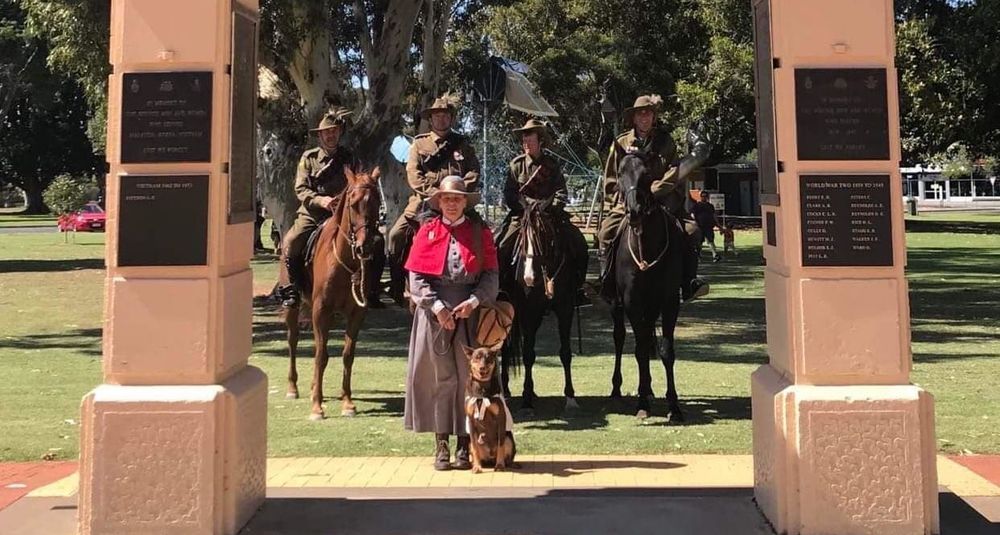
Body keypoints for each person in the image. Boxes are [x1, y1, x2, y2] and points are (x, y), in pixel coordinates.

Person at [403, 176, 499, 471]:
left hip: (469, 313)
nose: (452, 204)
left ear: (465, 202)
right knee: (440, 379)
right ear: (439, 202)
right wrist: (438, 307)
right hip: (434, 315)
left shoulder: (479, 232)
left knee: (466, 381)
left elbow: (491, 275)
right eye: (447, 199)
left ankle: (463, 444)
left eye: (457, 199)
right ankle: (441, 443)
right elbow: (417, 278)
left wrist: (474, 302)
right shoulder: (427, 231)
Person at [597, 94, 710, 302]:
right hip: (628, 202)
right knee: (605, 232)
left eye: (648, 114)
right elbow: (611, 179)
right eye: (640, 114)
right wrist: (621, 201)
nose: (644, 118)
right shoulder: (621, 143)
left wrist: (656, 190)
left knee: (693, 231)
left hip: (662, 202)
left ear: (653, 117)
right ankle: (605, 281)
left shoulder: (665, 142)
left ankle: (689, 282)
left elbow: (675, 172)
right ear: (633, 118)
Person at [387, 93, 481, 306]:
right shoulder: (419, 145)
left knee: (482, 231)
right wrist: (435, 194)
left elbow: (474, 171)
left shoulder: (463, 144)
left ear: (451, 118)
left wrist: (456, 192)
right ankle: (397, 287)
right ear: (430, 119)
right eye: (437, 116)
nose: (441, 119)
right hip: (423, 202)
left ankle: (482, 282)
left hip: (457, 202)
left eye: (445, 115)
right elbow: (414, 174)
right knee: (395, 236)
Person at [495, 119, 589, 304]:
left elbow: (561, 191)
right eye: (524, 138)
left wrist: (552, 206)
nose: (526, 142)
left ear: (540, 141)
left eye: (530, 138)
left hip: (550, 215)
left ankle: (577, 288)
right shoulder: (516, 165)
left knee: (578, 242)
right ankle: (502, 288)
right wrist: (527, 206)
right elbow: (510, 193)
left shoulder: (551, 165)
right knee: (501, 245)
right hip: (522, 216)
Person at [279, 106, 360, 308]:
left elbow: (358, 184)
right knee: (291, 242)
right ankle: (293, 290)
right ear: (320, 135)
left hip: (342, 216)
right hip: (312, 214)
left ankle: (369, 288)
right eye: (327, 132)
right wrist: (321, 200)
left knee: (369, 241)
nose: (330, 135)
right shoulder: (309, 158)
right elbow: (301, 188)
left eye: (334, 131)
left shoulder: (349, 158)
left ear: (339, 133)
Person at [691, 190, 722, 262]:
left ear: (707, 197)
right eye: (702, 196)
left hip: (709, 226)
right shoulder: (697, 205)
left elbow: (714, 215)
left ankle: (715, 255)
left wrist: (718, 225)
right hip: (700, 226)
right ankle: (698, 256)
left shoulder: (710, 206)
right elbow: (692, 214)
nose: (704, 197)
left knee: (711, 241)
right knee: (699, 242)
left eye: (705, 196)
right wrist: (694, 222)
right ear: (700, 197)